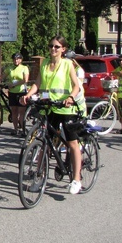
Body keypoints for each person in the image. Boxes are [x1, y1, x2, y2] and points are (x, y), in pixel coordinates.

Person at [20, 35, 83, 195]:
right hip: (49, 107)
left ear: (63, 49)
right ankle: (39, 178)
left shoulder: (68, 64)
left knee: (72, 143)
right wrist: (29, 94)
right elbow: (37, 83)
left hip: (65, 108)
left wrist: (70, 97)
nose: (53, 49)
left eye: (56, 46)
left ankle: (76, 179)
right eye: (51, 46)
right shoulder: (45, 64)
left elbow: (76, 86)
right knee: (45, 144)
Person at [0, 53, 30, 136]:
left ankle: (23, 131)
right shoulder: (10, 68)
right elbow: (1, 77)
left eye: (17, 59)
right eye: (14, 59)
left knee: (21, 113)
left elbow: (25, 80)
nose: (16, 61)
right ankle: (15, 129)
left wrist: (14, 84)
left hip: (21, 92)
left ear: (21, 60)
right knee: (14, 111)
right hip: (12, 92)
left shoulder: (24, 68)